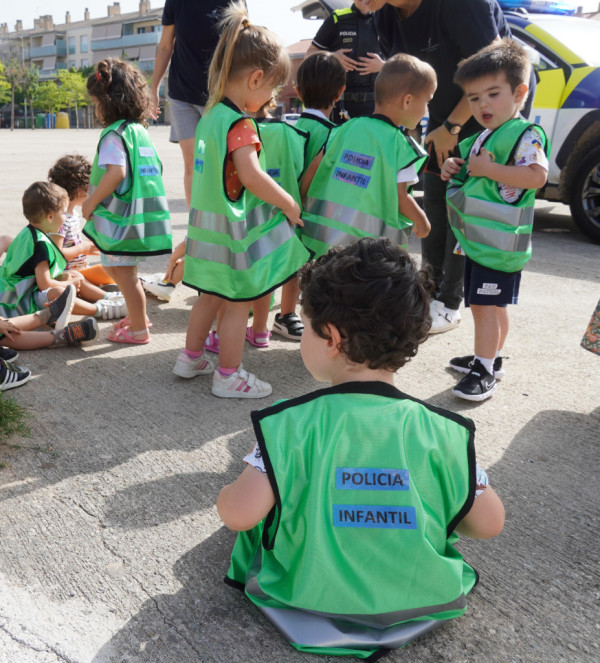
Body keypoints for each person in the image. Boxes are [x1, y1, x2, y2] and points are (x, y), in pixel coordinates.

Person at [217, 238, 505, 658]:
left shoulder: (291, 422)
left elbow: (237, 515)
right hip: (422, 603)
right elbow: (489, 523)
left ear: (330, 337)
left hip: (307, 604)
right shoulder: (444, 431)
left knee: (266, 513)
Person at [357, 0, 525, 334]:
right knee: (435, 198)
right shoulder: (385, 16)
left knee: (464, 208)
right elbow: (409, 80)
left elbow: (490, 76)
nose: (359, 2)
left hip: (489, 114)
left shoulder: (461, 5)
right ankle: (429, 290)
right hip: (442, 117)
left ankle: (450, 302)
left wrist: (453, 127)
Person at [173, 1, 310, 399]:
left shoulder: (210, 116)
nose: (270, 100)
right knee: (238, 303)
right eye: (271, 90)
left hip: (205, 235)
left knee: (208, 297)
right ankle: (228, 375)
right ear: (255, 79)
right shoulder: (241, 124)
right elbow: (251, 175)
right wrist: (288, 203)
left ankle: (190, 357)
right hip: (233, 239)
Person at [441, 39, 548, 401]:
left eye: (492, 93)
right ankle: (491, 357)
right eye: (473, 97)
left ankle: (484, 369)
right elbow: (476, 178)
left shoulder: (526, 135)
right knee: (486, 304)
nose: (482, 104)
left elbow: (536, 177)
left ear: (520, 92)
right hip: (481, 243)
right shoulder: (481, 136)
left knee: (486, 306)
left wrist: (490, 169)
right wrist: (454, 168)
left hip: (501, 245)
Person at [300, 53, 434, 259]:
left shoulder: (344, 129)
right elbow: (401, 197)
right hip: (366, 257)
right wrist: (422, 220)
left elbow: (313, 170)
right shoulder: (401, 146)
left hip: (321, 244)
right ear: (407, 101)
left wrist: (301, 200)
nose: (426, 110)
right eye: (427, 101)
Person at [83, 58, 172, 345]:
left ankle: (139, 328)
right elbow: (155, 169)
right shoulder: (139, 132)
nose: (95, 110)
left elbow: (116, 173)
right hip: (139, 221)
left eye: (95, 102)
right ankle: (138, 317)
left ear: (106, 102)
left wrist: (91, 202)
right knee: (120, 270)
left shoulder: (113, 135)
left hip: (120, 222)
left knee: (125, 276)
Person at [150, 0, 234, 208]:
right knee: (194, 163)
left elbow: (241, 44)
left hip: (219, 96)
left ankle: (221, 221)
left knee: (219, 162)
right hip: (182, 94)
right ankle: (195, 225)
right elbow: (166, 46)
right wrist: (153, 89)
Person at [0, 182, 124, 322]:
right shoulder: (41, 245)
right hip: (19, 301)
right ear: (50, 216)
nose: (65, 218)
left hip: (11, 291)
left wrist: (70, 279)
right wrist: (69, 284)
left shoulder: (27, 233)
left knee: (73, 274)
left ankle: (107, 297)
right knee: (61, 293)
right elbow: (45, 284)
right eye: (64, 213)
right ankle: (102, 310)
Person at [48, 154, 125, 307]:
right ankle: (107, 298)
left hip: (81, 268)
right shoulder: (59, 219)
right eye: (90, 185)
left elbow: (71, 242)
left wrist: (87, 246)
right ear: (77, 188)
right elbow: (57, 254)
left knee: (112, 267)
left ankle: (114, 289)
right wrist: (82, 248)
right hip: (66, 273)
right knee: (80, 281)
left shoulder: (73, 213)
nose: (93, 189)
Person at [307, 1, 383, 122]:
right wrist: (332, 57)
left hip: (375, 105)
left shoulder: (385, 20)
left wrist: (383, 66)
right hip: (340, 104)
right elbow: (309, 55)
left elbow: (404, 61)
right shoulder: (337, 19)